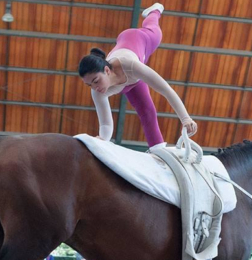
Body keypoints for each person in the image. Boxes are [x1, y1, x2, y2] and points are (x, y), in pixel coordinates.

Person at [78, 3, 197, 150]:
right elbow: (106, 124)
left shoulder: (131, 65)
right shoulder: (97, 91)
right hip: (131, 80)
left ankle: (154, 11)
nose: (95, 87)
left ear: (107, 70)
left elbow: (166, 89)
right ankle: (159, 151)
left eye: (96, 81)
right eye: (90, 85)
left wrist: (186, 119)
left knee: (156, 32)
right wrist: (103, 139)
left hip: (139, 39)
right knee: (147, 110)